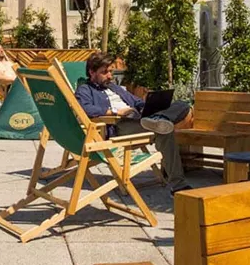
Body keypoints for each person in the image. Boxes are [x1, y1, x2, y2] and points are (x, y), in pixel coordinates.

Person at [74, 53, 193, 192]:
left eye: (111, 72)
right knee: (165, 131)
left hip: (138, 118)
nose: (109, 76)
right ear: (92, 72)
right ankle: (178, 184)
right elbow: (84, 108)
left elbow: (136, 101)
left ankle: (159, 118)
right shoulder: (85, 89)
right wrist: (114, 112)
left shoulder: (114, 87)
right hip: (119, 126)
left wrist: (150, 105)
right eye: (104, 72)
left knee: (182, 105)